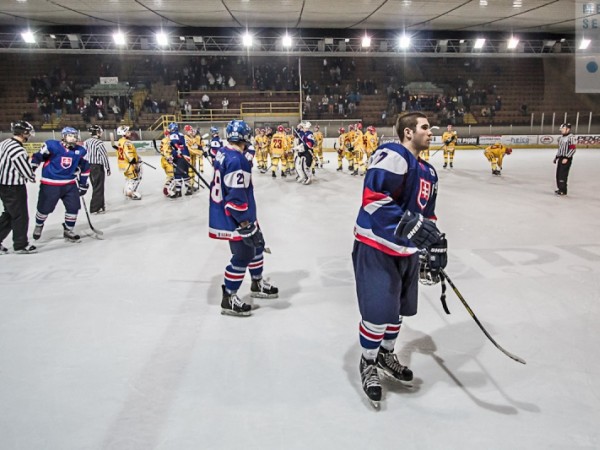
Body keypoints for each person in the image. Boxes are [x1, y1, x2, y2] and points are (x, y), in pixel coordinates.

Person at [352, 112, 447, 405]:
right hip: (377, 245)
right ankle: (368, 361)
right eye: (425, 128)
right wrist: (409, 224)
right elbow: (373, 199)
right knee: (378, 312)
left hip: (406, 251)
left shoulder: (429, 172)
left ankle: (385, 354)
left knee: (398, 311)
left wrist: (431, 244)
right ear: (408, 132)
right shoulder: (392, 154)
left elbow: (426, 216)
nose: (431, 132)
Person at [209, 120, 278, 316]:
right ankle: (229, 297)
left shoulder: (224, 153)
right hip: (237, 217)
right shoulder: (236, 160)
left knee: (256, 246)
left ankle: (257, 283)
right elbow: (236, 196)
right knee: (243, 255)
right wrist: (245, 223)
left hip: (240, 213)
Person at [31, 127, 90, 243]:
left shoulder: (81, 151)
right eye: (70, 135)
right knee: (44, 208)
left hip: (69, 184)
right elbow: (38, 156)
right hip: (50, 183)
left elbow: (85, 168)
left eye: (75, 135)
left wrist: (83, 184)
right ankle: (39, 224)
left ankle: (68, 230)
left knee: (73, 207)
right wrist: (32, 168)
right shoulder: (52, 145)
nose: (73, 138)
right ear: (63, 136)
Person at [0, 121, 37, 254]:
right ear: (24, 133)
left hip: (3, 185)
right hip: (14, 187)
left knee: (9, 214)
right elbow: (25, 170)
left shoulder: (4, 143)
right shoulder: (18, 149)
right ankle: (21, 245)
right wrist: (32, 176)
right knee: (20, 216)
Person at [84, 125, 111, 213]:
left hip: (89, 166)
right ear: (97, 132)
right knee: (99, 187)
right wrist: (107, 167)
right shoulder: (99, 142)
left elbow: (84, 155)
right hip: (97, 167)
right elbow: (104, 156)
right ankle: (95, 208)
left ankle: (100, 205)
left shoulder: (86, 142)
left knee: (95, 186)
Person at [116, 126, 142, 200]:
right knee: (134, 178)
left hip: (122, 164)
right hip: (128, 164)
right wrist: (134, 163)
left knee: (129, 178)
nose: (130, 133)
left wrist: (137, 157)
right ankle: (130, 192)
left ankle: (126, 190)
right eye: (128, 131)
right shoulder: (127, 142)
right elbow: (129, 153)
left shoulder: (120, 141)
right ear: (124, 133)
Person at [554, 123, 577, 196]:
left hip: (566, 158)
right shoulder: (560, 138)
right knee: (558, 174)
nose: (561, 130)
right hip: (561, 158)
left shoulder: (571, 138)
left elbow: (573, 149)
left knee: (562, 174)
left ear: (568, 129)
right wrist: (556, 157)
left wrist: (567, 157)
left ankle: (563, 190)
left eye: (563, 129)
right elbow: (560, 149)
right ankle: (560, 188)